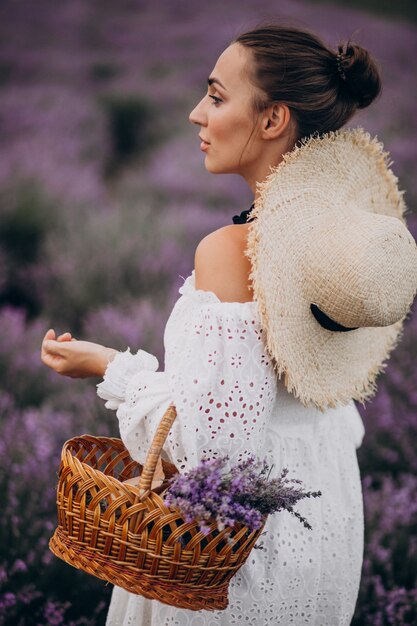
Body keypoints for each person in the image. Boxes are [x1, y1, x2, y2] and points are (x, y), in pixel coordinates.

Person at [41, 22, 396, 626]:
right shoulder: (343, 241)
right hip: (325, 530)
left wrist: (112, 369)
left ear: (272, 119)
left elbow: (212, 456)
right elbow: (328, 413)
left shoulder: (232, 251)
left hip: (233, 563)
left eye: (216, 95)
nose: (194, 115)